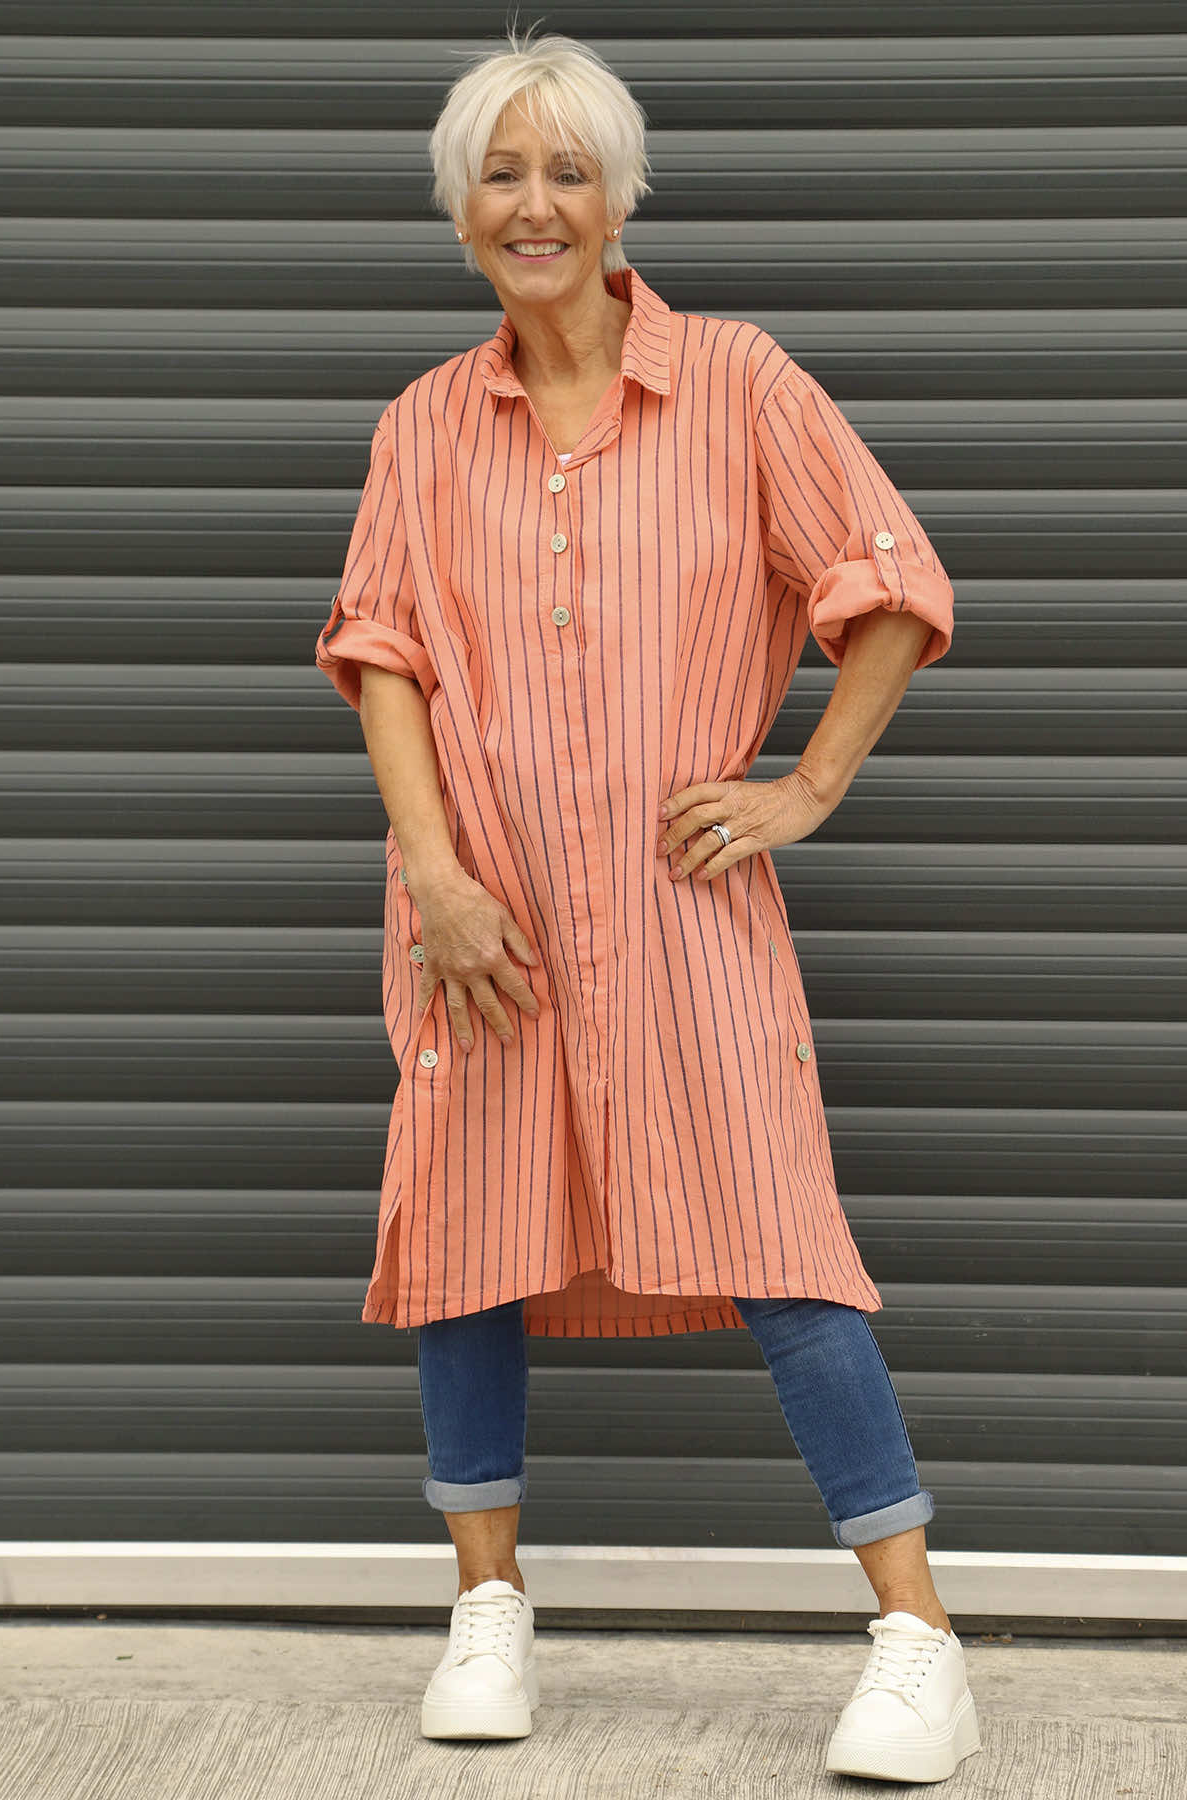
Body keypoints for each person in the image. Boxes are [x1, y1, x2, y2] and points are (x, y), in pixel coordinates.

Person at [314, 21, 981, 1787]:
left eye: (568, 172)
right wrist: (436, 875)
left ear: (620, 201)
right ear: (461, 208)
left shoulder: (739, 383)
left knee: (775, 1231)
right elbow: (383, 655)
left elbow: (886, 578)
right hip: (485, 916)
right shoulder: (421, 426)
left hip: (682, 913)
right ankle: (487, 1606)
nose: (534, 205)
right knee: (469, 1240)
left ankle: (919, 1638)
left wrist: (804, 788)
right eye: (500, 175)